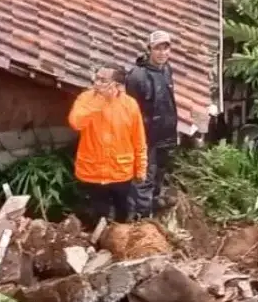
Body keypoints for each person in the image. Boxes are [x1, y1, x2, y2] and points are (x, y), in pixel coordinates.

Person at [68, 64, 147, 227]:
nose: (97, 83)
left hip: (121, 173)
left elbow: (139, 139)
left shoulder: (130, 105)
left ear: (117, 86)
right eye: (96, 78)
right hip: (92, 173)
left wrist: (141, 168)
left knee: (123, 216)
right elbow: (76, 123)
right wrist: (99, 102)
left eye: (103, 80)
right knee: (96, 219)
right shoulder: (85, 99)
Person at [125, 30, 180, 218]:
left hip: (166, 133)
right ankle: (141, 217)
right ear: (149, 49)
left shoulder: (167, 69)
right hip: (146, 135)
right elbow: (130, 110)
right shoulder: (137, 76)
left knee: (160, 172)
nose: (162, 53)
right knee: (144, 176)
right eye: (158, 48)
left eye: (166, 48)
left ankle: (154, 206)